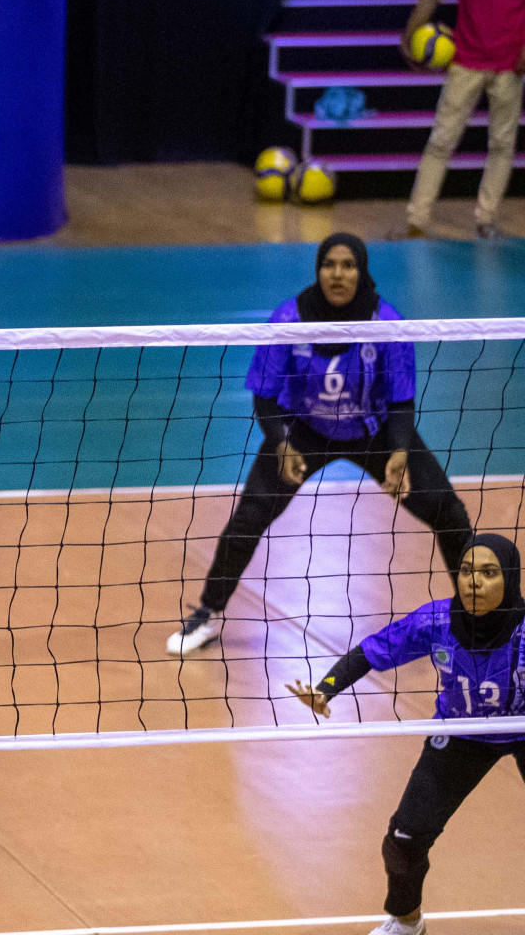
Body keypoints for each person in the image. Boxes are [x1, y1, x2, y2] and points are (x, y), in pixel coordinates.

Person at [169, 234, 473, 656]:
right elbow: (265, 396)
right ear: (318, 270)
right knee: (250, 517)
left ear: (361, 271)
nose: (338, 274)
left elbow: (401, 399)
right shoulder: (289, 320)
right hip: (304, 431)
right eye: (329, 264)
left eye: (348, 265)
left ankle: (479, 615)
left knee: (448, 510)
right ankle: (208, 612)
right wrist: (280, 442)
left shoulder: (387, 323)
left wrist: (400, 450)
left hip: (376, 431)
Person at [286, 533, 525, 935]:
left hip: (521, 728)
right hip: (461, 733)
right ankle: (408, 924)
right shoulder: (437, 622)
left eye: (488, 573)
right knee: (403, 840)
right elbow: (371, 649)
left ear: (511, 580)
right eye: (466, 571)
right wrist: (325, 688)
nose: (473, 582)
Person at [400, 0, 525, 240]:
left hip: (510, 64)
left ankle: (486, 220)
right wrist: (407, 36)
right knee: (440, 140)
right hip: (466, 61)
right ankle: (417, 221)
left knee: (502, 145)